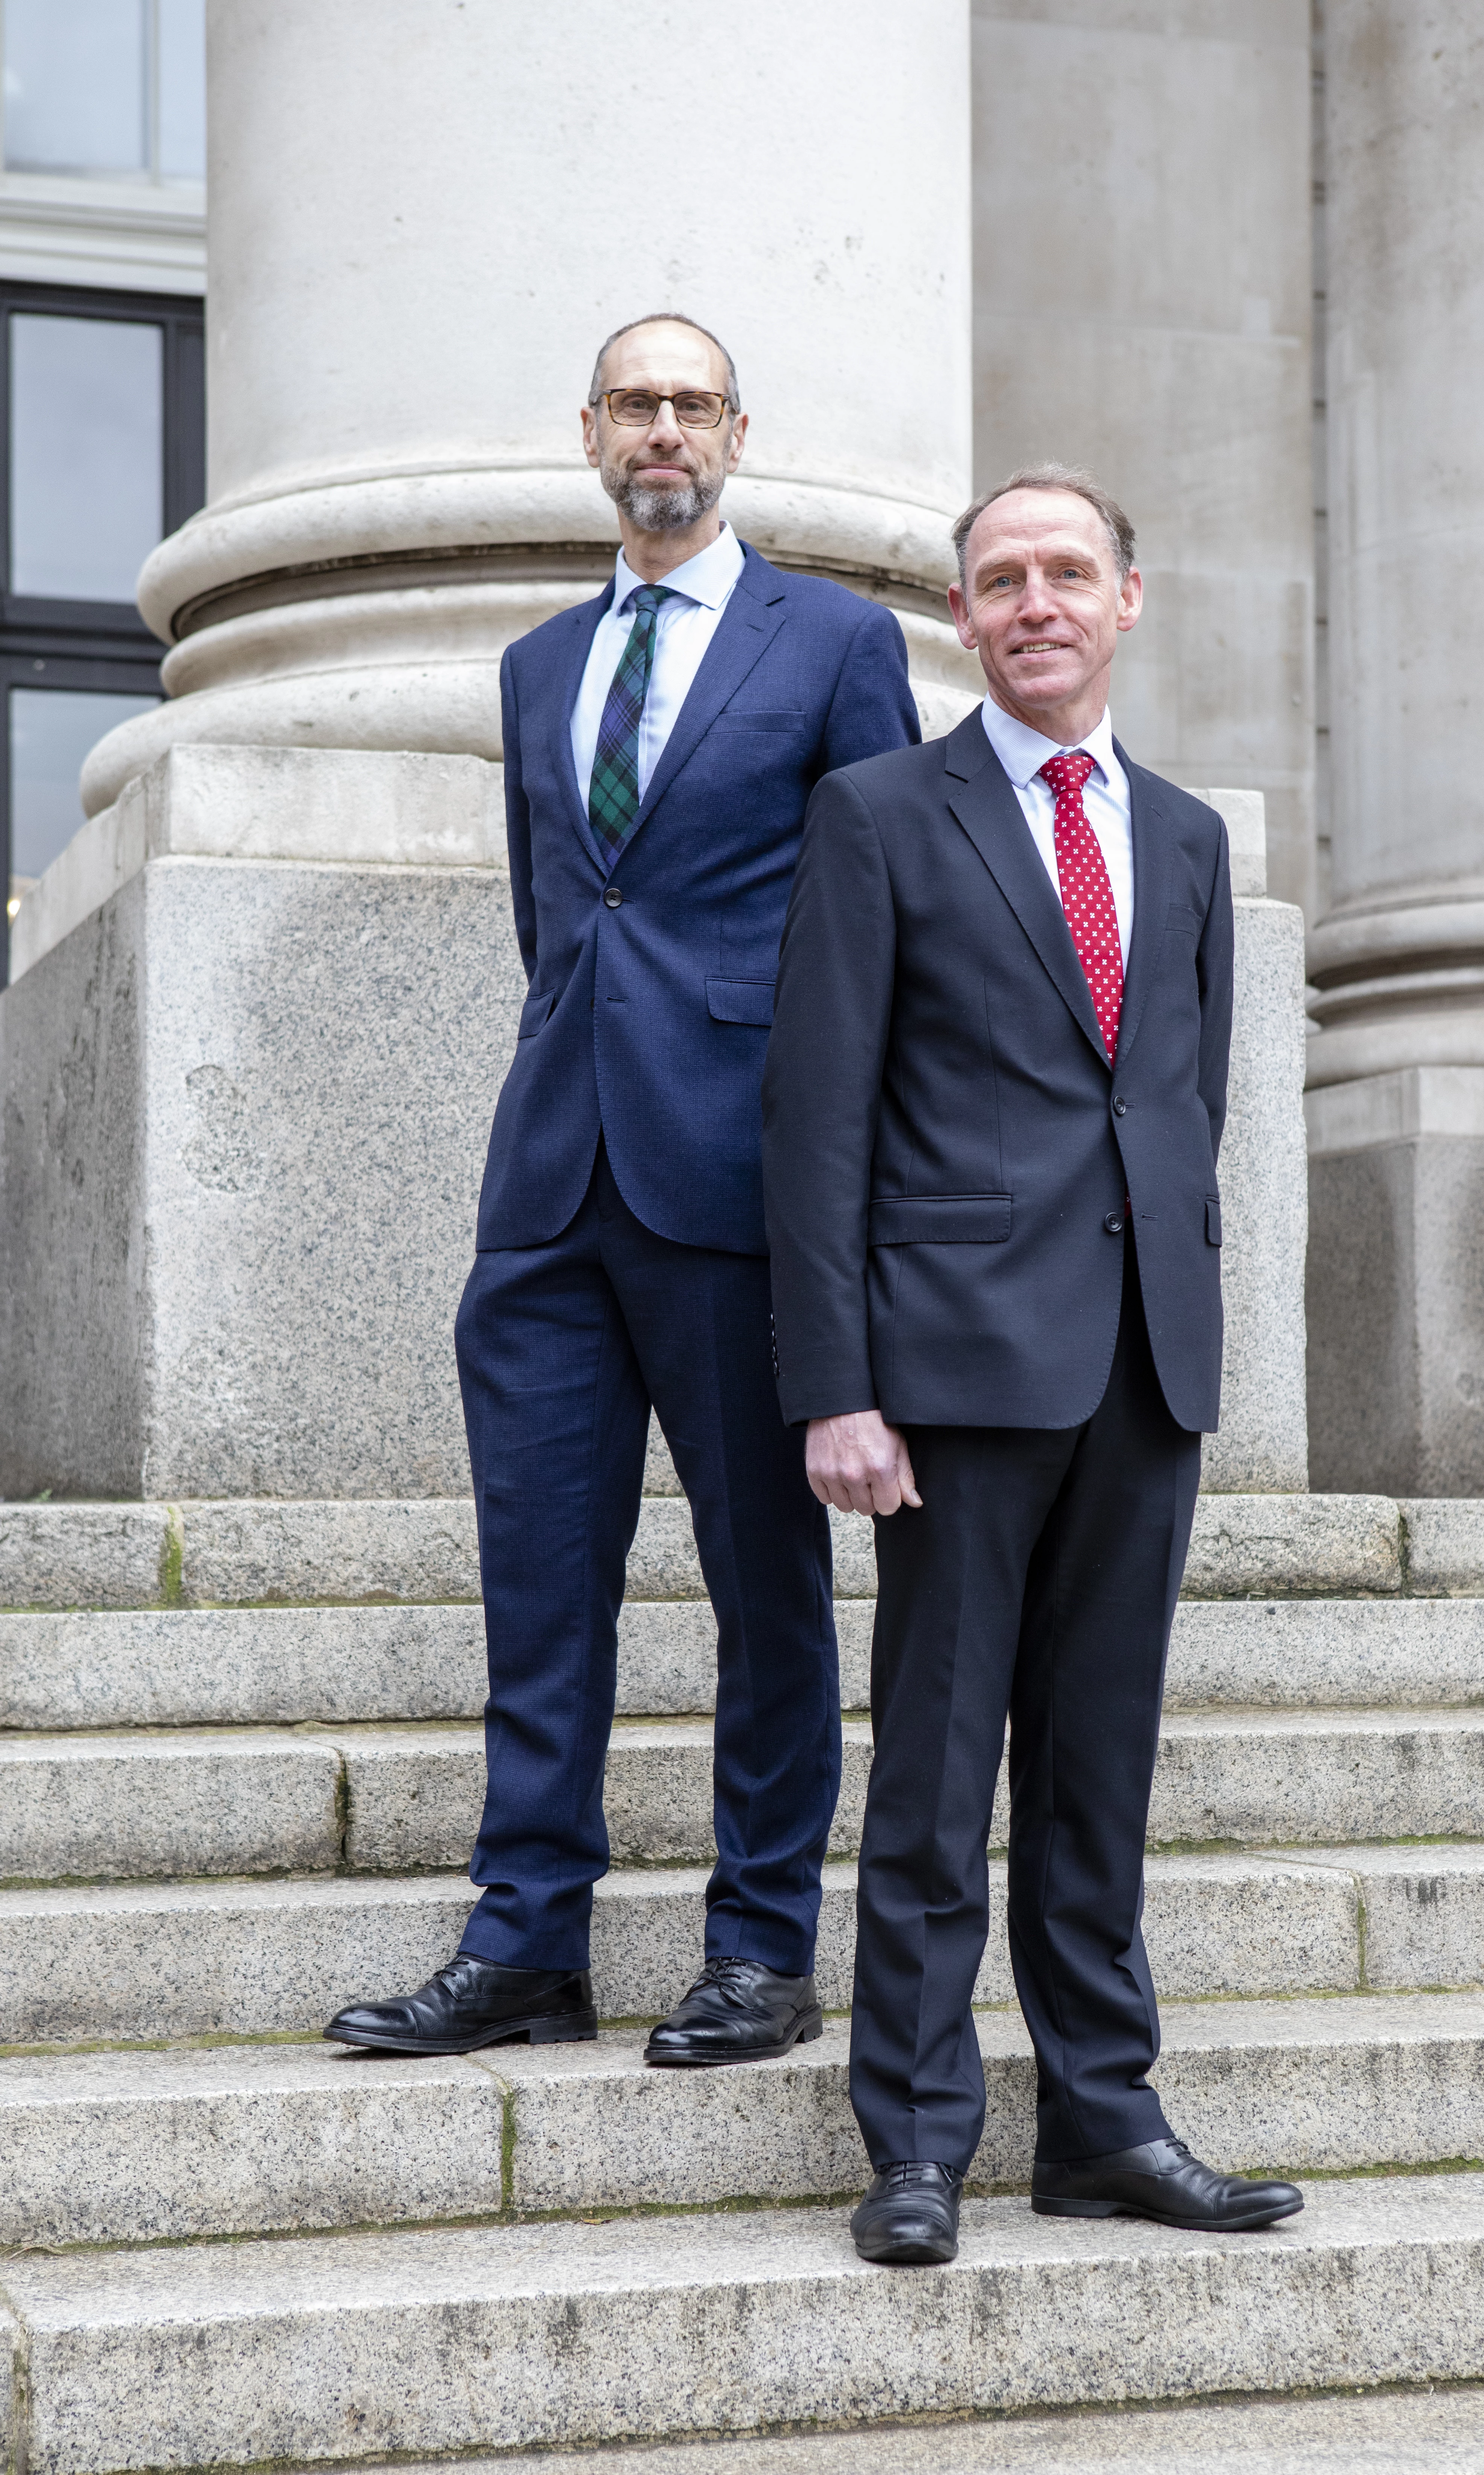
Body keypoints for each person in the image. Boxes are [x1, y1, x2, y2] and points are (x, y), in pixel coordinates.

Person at [326, 313, 919, 2064]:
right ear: (591, 431)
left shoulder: (839, 643)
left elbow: (875, 937)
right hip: (548, 1187)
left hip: (736, 1182)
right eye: (634, 403)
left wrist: (848, 1198)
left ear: (737, 430)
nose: (663, 430)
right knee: (539, 1579)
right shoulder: (534, 664)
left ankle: (759, 1941)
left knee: (766, 1584)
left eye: (691, 402)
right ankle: (526, 1941)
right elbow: (553, 919)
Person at [761, 463, 1304, 2261]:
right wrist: (835, 1382)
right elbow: (818, 1116)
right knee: (933, 1771)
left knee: (1101, 1768)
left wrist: (1186, 1308)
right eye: (1002, 580)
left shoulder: (1192, 836)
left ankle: (1105, 2119)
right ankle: (915, 2134)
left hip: (1145, 1367)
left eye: (1068, 572)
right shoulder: (879, 816)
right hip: (951, 1374)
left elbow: (1183, 1100)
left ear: (1127, 599)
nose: (1036, 603)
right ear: (964, 619)